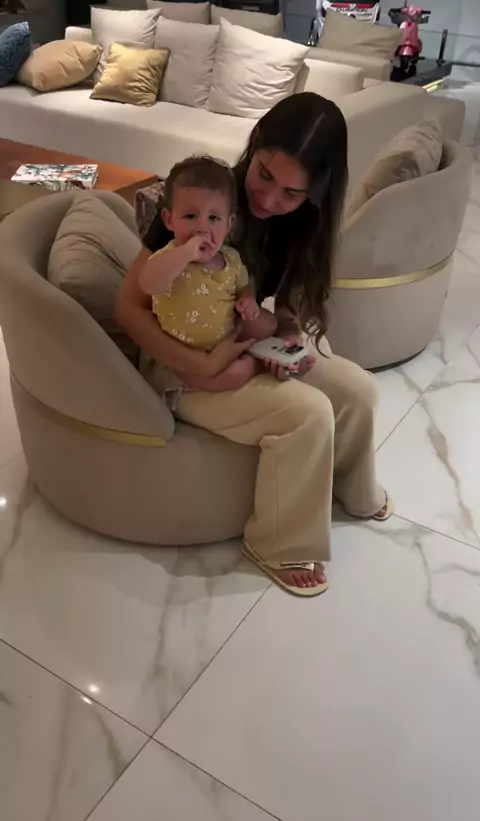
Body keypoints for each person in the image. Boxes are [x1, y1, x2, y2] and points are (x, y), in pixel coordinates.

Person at [115, 92, 392, 598]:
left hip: (241, 345)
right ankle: (277, 544)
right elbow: (128, 307)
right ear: (256, 139)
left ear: (316, 191)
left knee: (358, 390)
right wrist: (200, 366)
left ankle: (346, 488)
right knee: (307, 414)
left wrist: (286, 340)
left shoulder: (303, 223)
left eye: (291, 193)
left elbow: (283, 310)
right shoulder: (203, 201)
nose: (269, 200)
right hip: (183, 364)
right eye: (264, 175)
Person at [139, 156, 277, 394]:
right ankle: (237, 369)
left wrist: (247, 300)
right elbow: (147, 283)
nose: (202, 228)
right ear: (169, 220)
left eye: (214, 218)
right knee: (238, 373)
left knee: (269, 324)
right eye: (190, 216)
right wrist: (186, 253)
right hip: (181, 355)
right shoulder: (170, 256)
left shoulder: (231, 258)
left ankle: (258, 356)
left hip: (222, 338)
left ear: (229, 224)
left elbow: (243, 283)